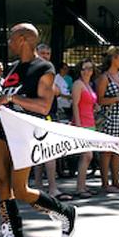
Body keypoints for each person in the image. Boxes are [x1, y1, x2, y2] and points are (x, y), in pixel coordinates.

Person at [0, 23, 77, 237]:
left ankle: (64, 211)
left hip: (25, 132)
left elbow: (44, 106)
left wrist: (11, 98)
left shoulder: (44, 68)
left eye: (12, 38)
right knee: (1, 181)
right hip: (5, 130)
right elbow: (5, 98)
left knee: (20, 189)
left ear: (23, 39)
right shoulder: (13, 68)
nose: (9, 43)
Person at [32, 43, 70, 200]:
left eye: (48, 53)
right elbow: (53, 90)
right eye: (43, 53)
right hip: (38, 115)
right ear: (36, 53)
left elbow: (58, 91)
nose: (45, 56)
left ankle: (41, 186)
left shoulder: (48, 70)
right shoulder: (35, 71)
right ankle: (49, 188)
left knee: (45, 152)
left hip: (50, 115)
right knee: (46, 153)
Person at [96, 46, 119, 193]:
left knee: (118, 149)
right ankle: (105, 183)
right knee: (107, 150)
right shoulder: (104, 77)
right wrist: (117, 99)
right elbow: (100, 100)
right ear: (114, 58)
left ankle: (116, 181)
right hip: (110, 117)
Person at [71, 58, 99, 198]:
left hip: (91, 122)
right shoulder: (78, 84)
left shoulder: (89, 85)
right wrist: (78, 125)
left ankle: (82, 186)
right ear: (80, 70)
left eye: (89, 68)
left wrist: (95, 106)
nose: (87, 71)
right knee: (87, 155)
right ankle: (79, 188)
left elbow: (89, 102)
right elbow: (75, 105)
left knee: (87, 156)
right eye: (84, 68)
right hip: (82, 123)